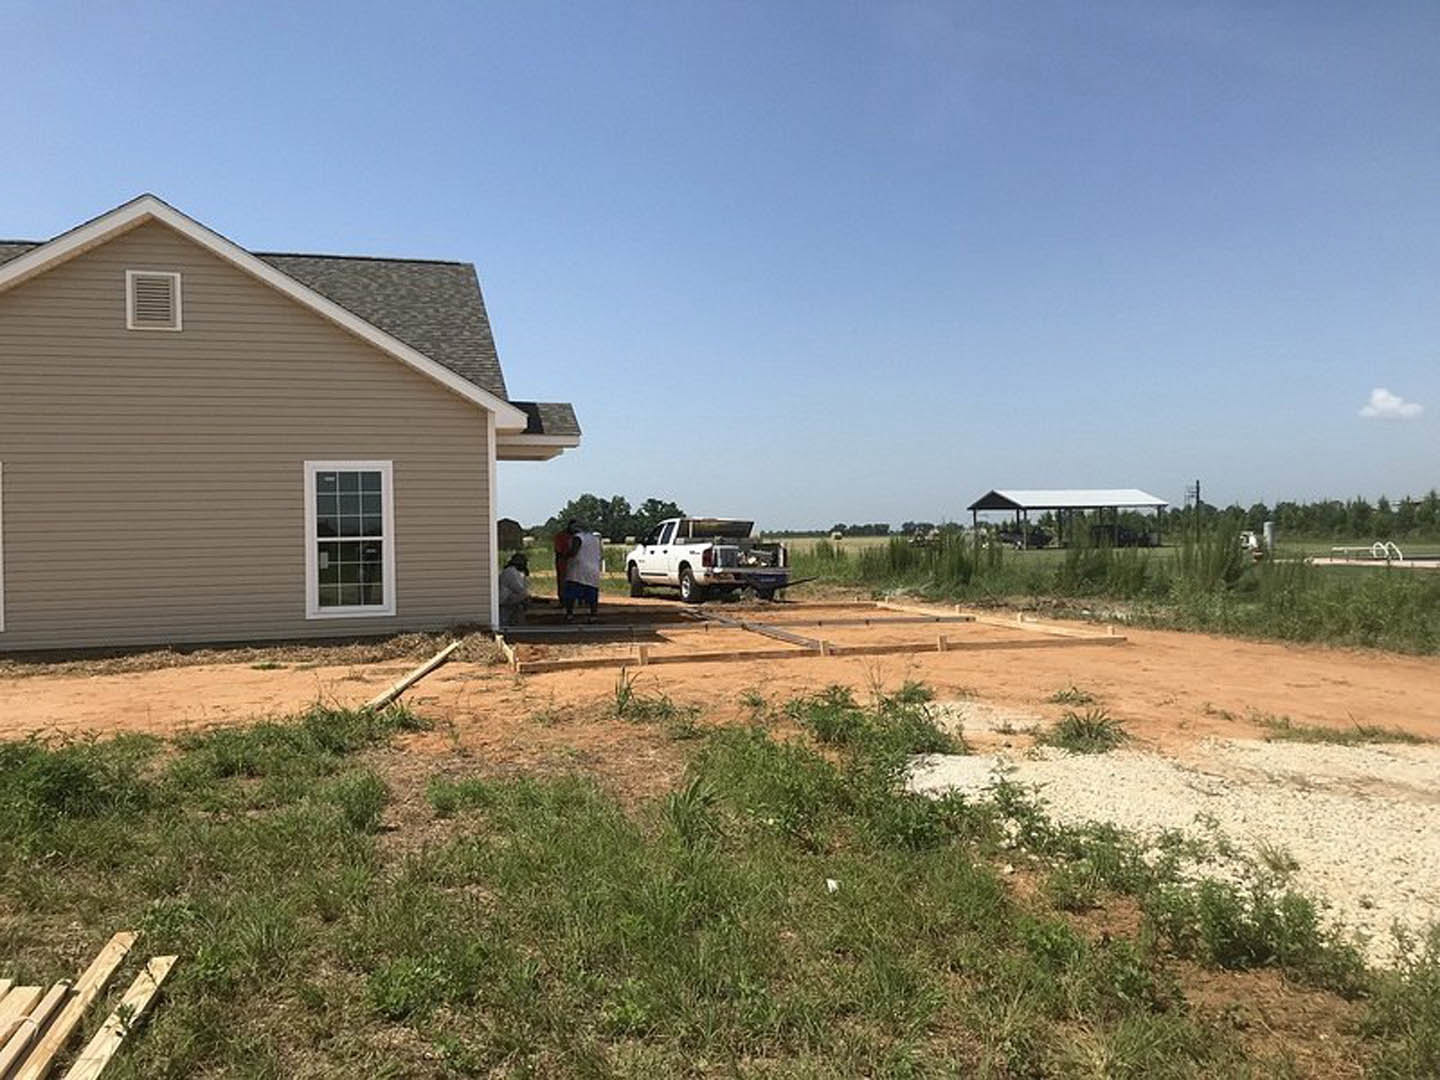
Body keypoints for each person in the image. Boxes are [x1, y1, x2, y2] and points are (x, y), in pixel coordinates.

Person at [563, 527, 603, 622]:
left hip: (578, 570)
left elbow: (573, 552)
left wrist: (565, 555)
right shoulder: (595, 539)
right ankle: (593, 615)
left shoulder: (577, 538)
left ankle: (570, 615)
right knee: (592, 595)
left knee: (571, 594)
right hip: (593, 570)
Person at [498, 552, 530, 626]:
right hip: (504, 600)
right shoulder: (510, 572)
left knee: (520, 605)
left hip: (508, 599)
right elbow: (520, 589)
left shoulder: (514, 572)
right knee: (524, 597)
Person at [552, 519, 580, 600]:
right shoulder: (561, 536)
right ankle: (563, 599)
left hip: (577, 563)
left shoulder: (578, 536)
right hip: (563, 562)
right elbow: (558, 550)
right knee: (563, 582)